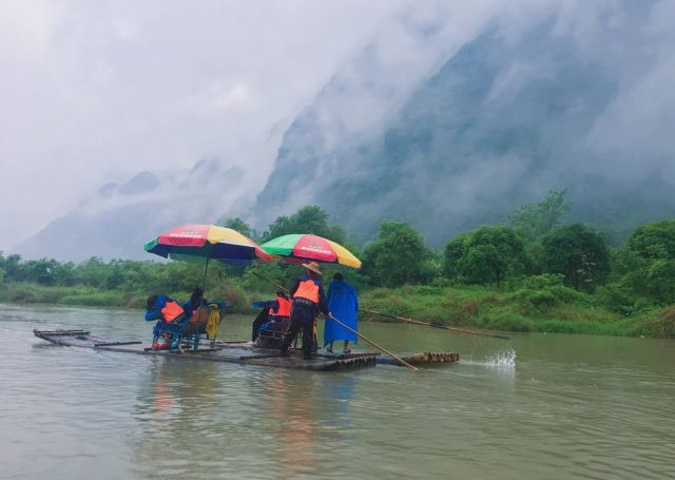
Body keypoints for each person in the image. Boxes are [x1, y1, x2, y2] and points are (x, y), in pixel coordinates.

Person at [280, 262, 329, 360]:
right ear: (316, 273)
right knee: (307, 333)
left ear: (308, 270)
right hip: (309, 309)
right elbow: (322, 301)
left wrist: (293, 297)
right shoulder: (318, 284)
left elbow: (292, 291)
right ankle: (306, 356)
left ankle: (283, 351)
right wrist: (327, 312)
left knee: (292, 331)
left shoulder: (300, 279)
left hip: (297, 307)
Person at [324, 273, 359, 354]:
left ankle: (330, 347)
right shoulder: (350, 287)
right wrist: (356, 308)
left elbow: (327, 299)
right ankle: (345, 348)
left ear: (334, 278)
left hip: (333, 311)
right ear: (342, 279)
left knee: (332, 327)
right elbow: (355, 299)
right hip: (347, 312)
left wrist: (325, 310)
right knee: (347, 326)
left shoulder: (331, 287)